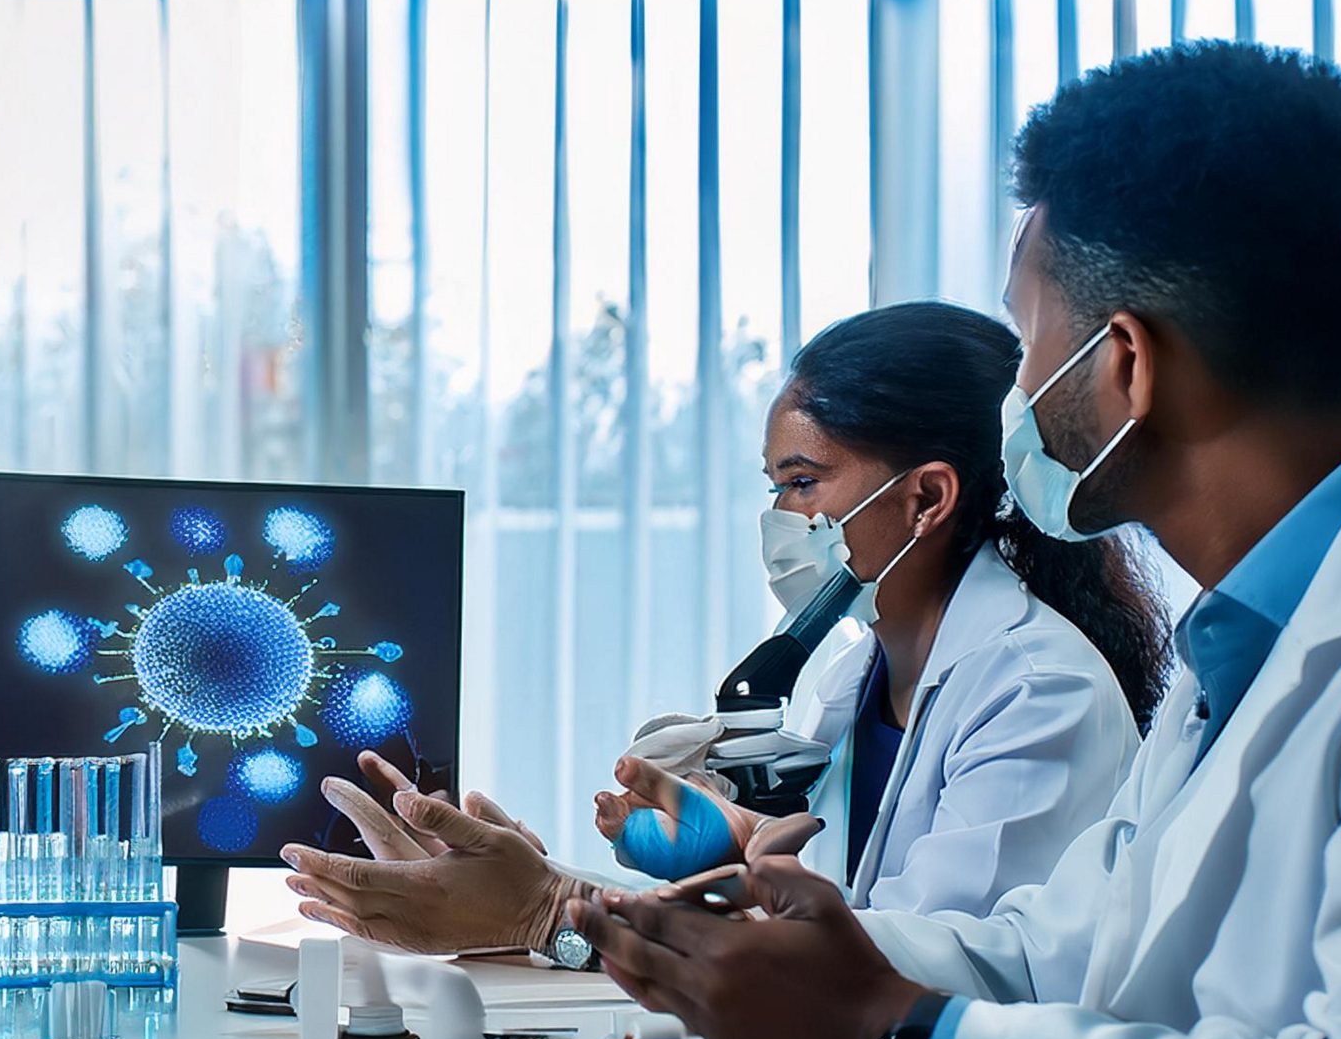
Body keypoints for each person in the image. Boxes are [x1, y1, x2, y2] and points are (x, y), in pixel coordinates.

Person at [339, 44, 1341, 1039]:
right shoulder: (1246, 642)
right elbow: (1042, 950)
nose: (1020, 394)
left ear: (1126, 361)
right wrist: (673, 926)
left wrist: (895, 1037)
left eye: (1029, 342)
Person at [304, 300, 1168, 954]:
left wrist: (547, 910)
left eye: (803, 482)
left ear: (926, 498)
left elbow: (918, 969)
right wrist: (533, 881)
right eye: (775, 487)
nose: (781, 517)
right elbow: (821, 924)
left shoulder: (1037, 692)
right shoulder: (853, 684)